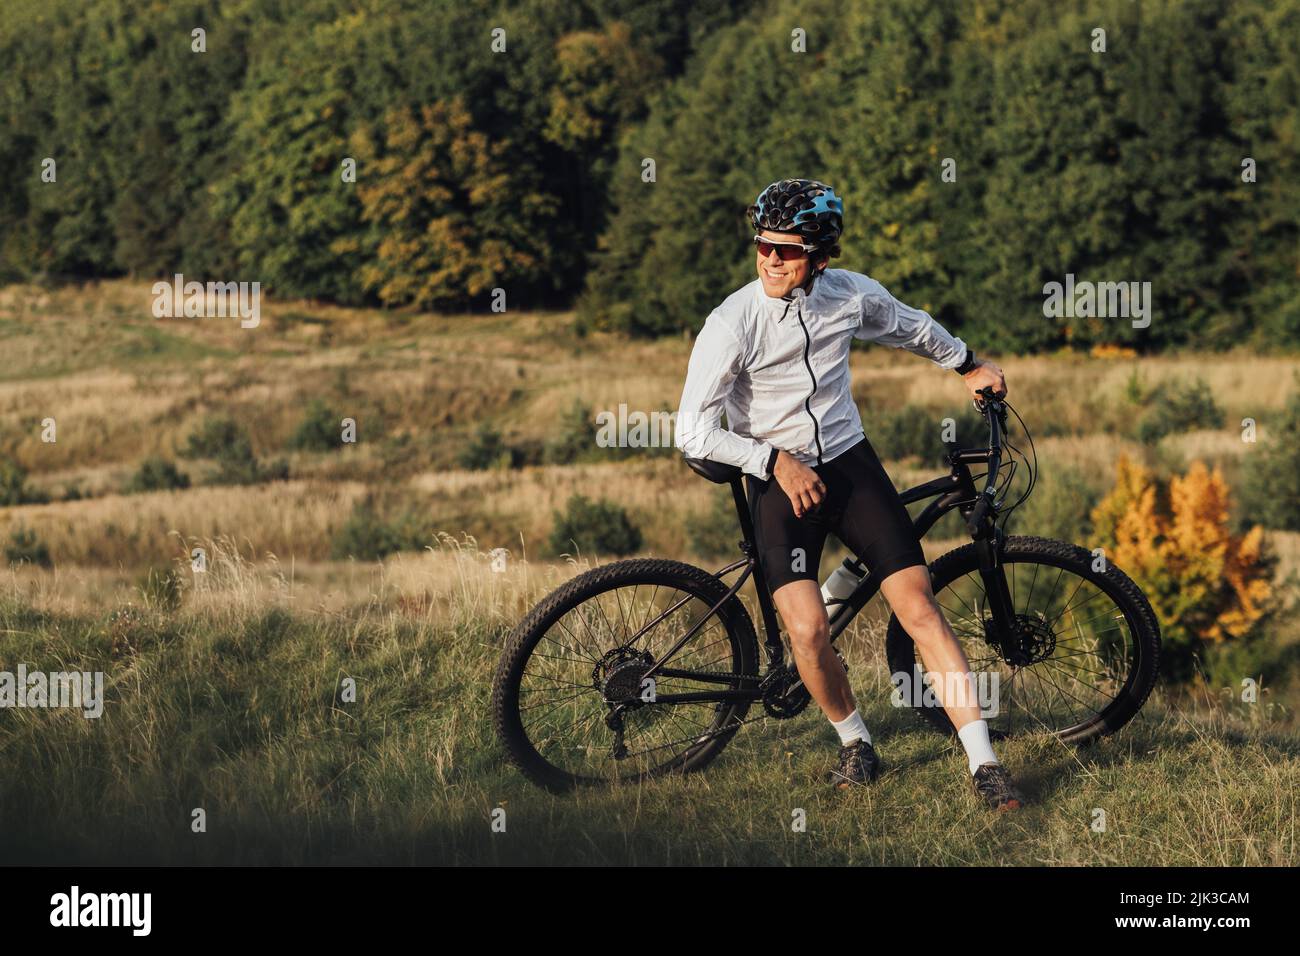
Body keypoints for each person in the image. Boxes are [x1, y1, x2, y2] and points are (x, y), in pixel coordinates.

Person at [676, 178, 1025, 811]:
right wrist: (774, 461)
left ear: (820, 258)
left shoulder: (848, 295)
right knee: (809, 631)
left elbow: (912, 328)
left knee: (919, 606)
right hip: (776, 479)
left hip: (848, 463)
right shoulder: (731, 323)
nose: (770, 260)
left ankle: (984, 762)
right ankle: (856, 741)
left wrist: (968, 363)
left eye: (786, 250)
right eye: (762, 246)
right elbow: (692, 431)